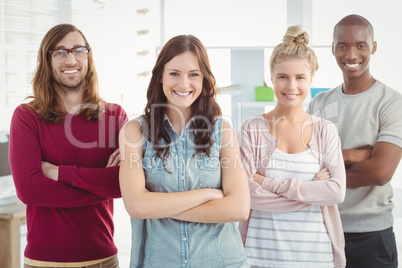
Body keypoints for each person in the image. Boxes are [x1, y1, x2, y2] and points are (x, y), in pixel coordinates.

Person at [118, 34, 250, 267]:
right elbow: (137, 207)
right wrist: (206, 194)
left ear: (204, 80)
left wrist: (157, 207)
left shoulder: (222, 131)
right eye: (174, 73)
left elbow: (238, 208)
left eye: (193, 75)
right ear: (160, 76)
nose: (184, 84)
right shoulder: (134, 131)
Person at [9, 24, 128, 267]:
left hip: (104, 258)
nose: (71, 59)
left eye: (79, 50)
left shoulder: (114, 116)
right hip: (44, 261)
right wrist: (100, 182)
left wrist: (57, 173)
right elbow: (29, 190)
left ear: (88, 56)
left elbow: (122, 184)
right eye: (60, 52)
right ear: (47, 60)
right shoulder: (27, 116)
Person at [239, 25, 346, 268]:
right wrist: (314, 193)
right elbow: (246, 196)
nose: (291, 87)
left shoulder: (324, 130)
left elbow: (336, 192)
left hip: (316, 257)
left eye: (300, 78)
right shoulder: (252, 128)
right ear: (271, 78)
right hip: (259, 257)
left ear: (311, 79)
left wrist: (267, 183)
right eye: (283, 77)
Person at [307, 14, 402, 268]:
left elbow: (381, 172)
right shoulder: (319, 103)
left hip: (371, 237)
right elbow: (305, 166)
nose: (351, 55)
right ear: (333, 49)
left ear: (373, 47)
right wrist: (355, 155)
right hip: (321, 231)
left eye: (360, 45)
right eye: (343, 46)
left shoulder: (391, 102)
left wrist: (328, 171)